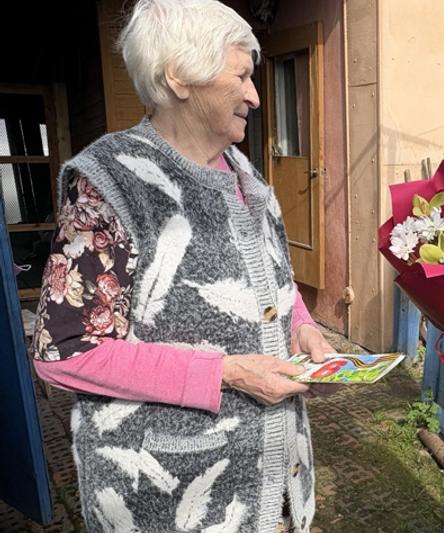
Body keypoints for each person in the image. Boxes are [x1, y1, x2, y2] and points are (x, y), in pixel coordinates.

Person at [31, 0, 334, 531]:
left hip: (275, 482)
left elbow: (271, 282)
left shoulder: (244, 173)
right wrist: (226, 373)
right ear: (178, 77)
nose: (255, 96)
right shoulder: (109, 184)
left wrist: (303, 329)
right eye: (241, 76)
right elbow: (65, 351)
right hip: (168, 498)